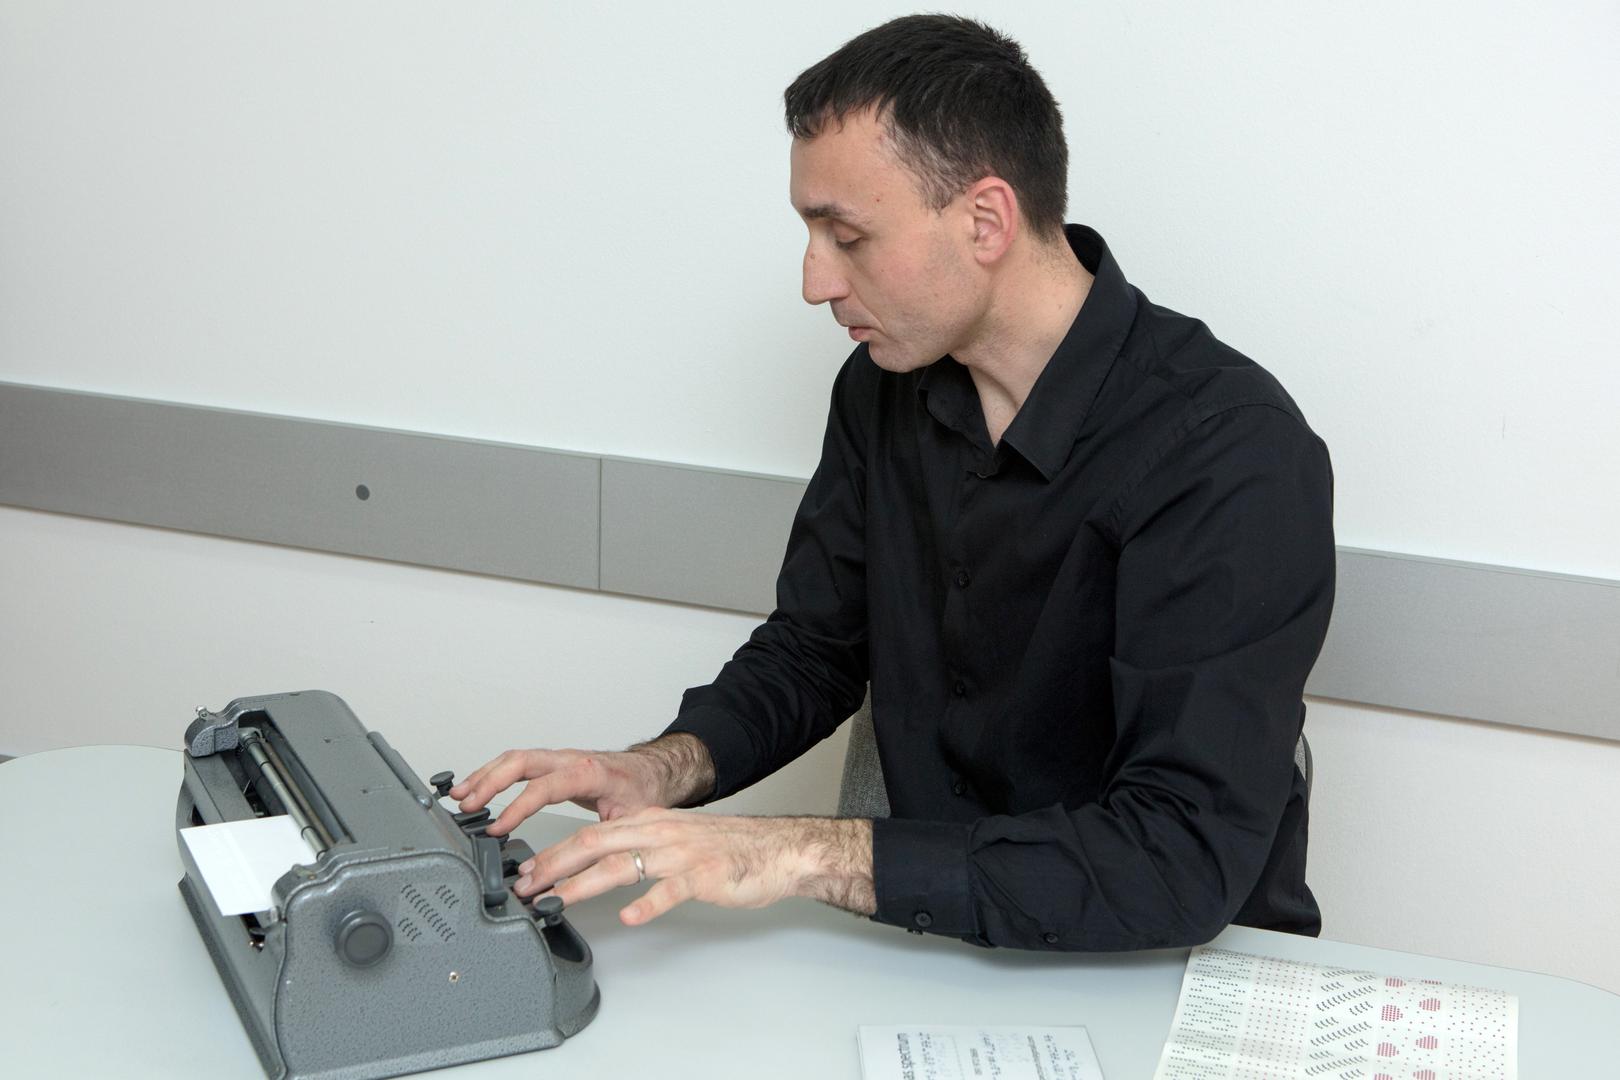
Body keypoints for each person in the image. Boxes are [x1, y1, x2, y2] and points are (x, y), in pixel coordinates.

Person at [451, 14, 1335, 951]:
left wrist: (788, 852)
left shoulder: (1229, 452)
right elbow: (815, 648)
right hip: (943, 948)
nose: (814, 281)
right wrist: (662, 769)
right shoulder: (882, 387)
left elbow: (1173, 858)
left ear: (986, 221)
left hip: (1173, 966)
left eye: (847, 236)